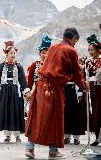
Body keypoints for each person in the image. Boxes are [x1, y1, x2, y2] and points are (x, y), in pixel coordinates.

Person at [25, 28, 86, 159]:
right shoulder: (70, 50)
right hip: (54, 88)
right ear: (73, 38)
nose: (75, 43)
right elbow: (77, 73)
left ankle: (29, 148)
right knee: (55, 119)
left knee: (37, 117)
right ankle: (53, 152)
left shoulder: (52, 47)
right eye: (76, 40)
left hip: (41, 86)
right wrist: (84, 86)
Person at [0, 41, 31, 143]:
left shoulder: (19, 66)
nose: (13, 55)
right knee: (7, 113)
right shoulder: (1, 66)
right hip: (5, 92)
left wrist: (26, 92)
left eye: (14, 53)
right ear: (6, 54)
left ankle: (17, 135)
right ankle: (7, 136)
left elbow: (22, 80)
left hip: (15, 92)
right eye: (11, 53)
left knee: (16, 112)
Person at [85, 34, 101, 146]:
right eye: (89, 50)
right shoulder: (87, 62)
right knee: (93, 112)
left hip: (99, 87)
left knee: (99, 111)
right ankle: (96, 137)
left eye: (92, 50)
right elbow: (84, 75)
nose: (91, 52)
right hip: (91, 88)